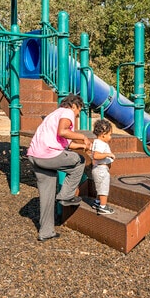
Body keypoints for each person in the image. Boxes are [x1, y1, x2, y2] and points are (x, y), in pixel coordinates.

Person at [26, 94, 92, 242]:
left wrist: (82, 146)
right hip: (46, 155)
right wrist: (84, 137)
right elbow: (62, 132)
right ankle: (66, 196)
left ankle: (46, 232)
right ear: (75, 105)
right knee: (79, 161)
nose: (77, 115)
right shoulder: (67, 111)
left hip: (34, 156)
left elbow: (67, 143)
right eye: (79, 111)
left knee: (47, 195)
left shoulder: (53, 115)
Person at [90, 119, 116, 215]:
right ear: (103, 135)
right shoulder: (100, 144)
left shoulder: (97, 142)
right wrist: (108, 154)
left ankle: (97, 202)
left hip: (100, 169)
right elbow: (96, 156)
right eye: (110, 134)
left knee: (100, 188)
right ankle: (103, 207)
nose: (110, 137)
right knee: (103, 189)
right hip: (101, 170)